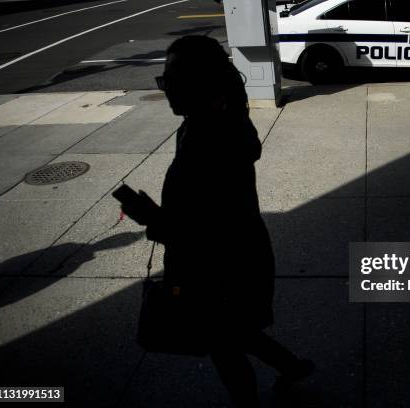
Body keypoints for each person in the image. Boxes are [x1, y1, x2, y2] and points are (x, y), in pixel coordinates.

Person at [121, 35, 315, 407]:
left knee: (223, 345)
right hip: (233, 257)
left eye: (175, 79)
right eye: (164, 80)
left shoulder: (210, 138)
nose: (167, 90)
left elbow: (205, 230)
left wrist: (152, 220)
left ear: (205, 81)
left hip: (220, 267)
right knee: (235, 332)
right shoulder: (211, 121)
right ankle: (291, 366)